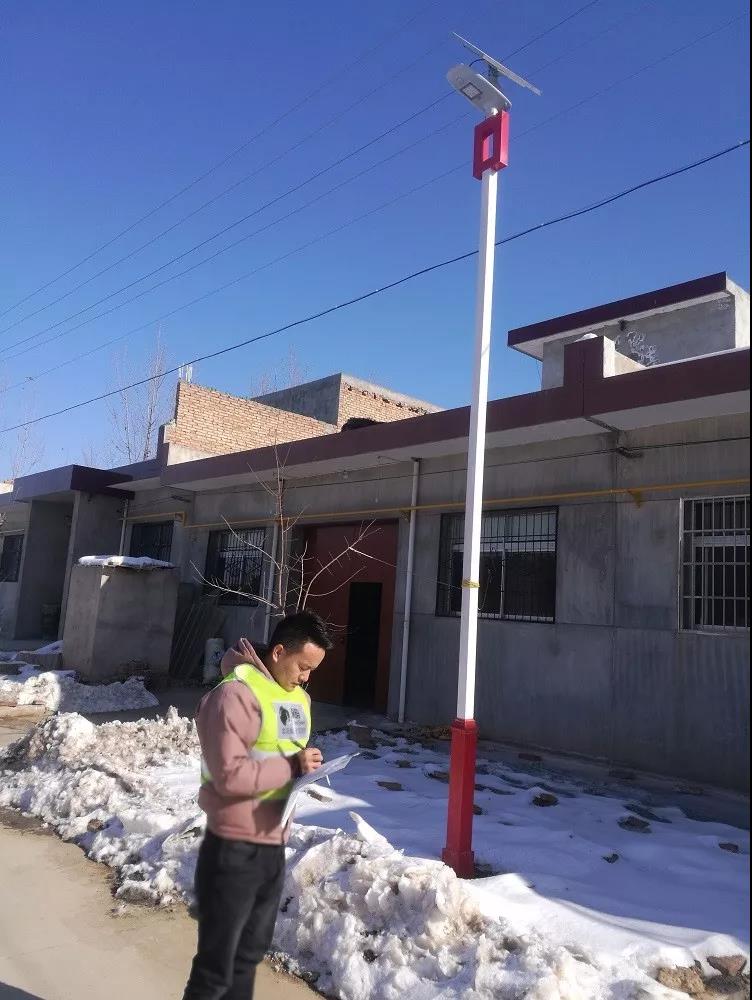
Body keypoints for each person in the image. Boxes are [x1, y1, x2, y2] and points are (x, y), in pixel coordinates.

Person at [182, 611, 334, 1000]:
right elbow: (228, 776)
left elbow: (281, 753)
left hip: (272, 840)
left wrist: (304, 770)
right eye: (302, 667)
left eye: (312, 670)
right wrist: (292, 766)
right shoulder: (235, 695)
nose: (306, 677)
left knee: (247, 955)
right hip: (233, 844)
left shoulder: (299, 698)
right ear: (279, 652)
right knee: (218, 965)